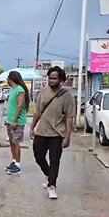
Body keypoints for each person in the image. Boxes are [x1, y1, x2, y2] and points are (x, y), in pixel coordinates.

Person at [30, 66, 75, 199]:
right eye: (50, 78)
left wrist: (68, 137)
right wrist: (32, 127)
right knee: (38, 156)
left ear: (61, 80)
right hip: (41, 132)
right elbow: (37, 112)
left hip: (57, 134)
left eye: (55, 78)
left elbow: (69, 117)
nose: (52, 81)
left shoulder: (67, 97)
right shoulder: (43, 92)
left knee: (54, 160)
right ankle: (50, 176)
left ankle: (52, 186)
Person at [4, 71, 30, 175]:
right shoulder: (13, 90)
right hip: (9, 121)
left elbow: (19, 106)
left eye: (8, 78)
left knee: (16, 142)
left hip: (17, 122)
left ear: (11, 79)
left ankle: (18, 166)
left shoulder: (20, 90)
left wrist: (14, 121)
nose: (7, 80)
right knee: (11, 141)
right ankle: (14, 161)